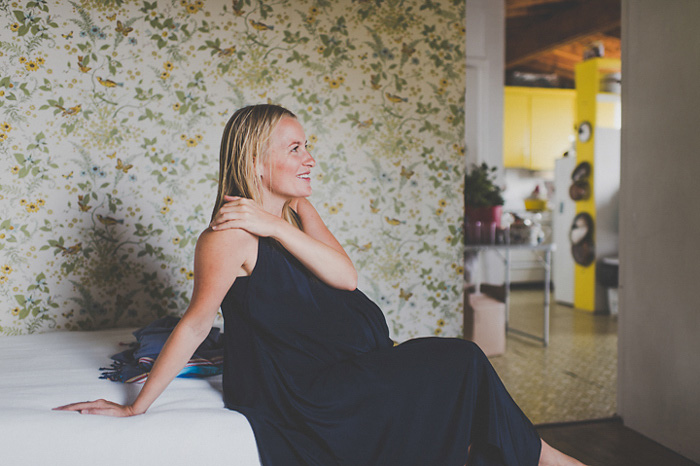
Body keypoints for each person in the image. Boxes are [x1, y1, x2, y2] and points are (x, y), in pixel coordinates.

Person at [56, 104, 586, 466]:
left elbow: (344, 276)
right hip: (305, 394)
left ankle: (538, 459)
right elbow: (196, 323)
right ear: (256, 163)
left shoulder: (286, 220)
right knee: (464, 361)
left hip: (344, 370)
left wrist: (290, 209)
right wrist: (135, 407)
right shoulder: (228, 237)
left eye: (307, 146)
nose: (310, 158)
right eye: (294, 149)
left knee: (457, 375)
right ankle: (551, 460)